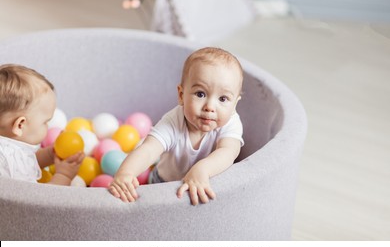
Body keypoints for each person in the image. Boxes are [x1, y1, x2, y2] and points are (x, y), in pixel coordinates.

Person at [109, 47, 244, 205]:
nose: (210, 106)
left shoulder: (231, 122)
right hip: (163, 182)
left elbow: (228, 151)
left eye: (223, 99)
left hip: (206, 180)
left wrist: (202, 170)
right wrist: (126, 173)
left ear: (234, 104)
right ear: (181, 95)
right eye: (200, 94)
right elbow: (149, 149)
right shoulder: (173, 121)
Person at [0, 64, 84, 185]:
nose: (48, 126)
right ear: (20, 125)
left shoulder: (9, 147)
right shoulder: (8, 167)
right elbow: (36, 201)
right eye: (45, 122)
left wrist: (50, 154)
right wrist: (64, 175)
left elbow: (26, 159)